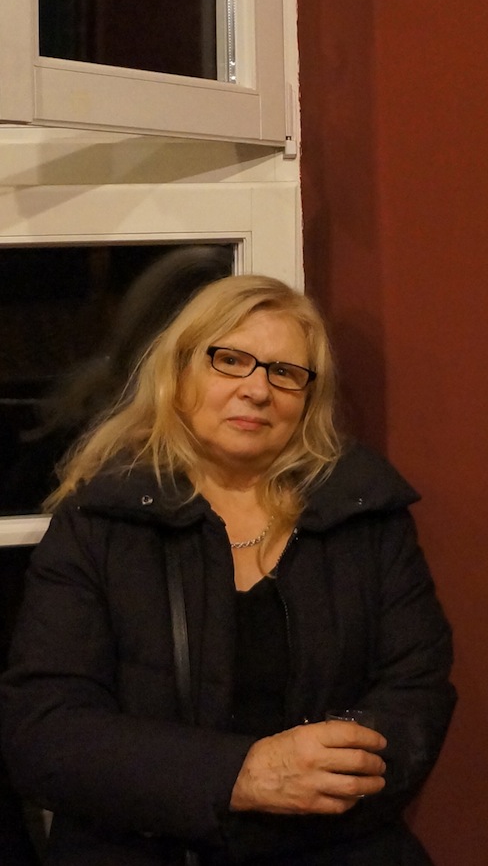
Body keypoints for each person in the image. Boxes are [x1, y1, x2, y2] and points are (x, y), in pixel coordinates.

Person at [1, 275, 455, 865]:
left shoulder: (365, 514)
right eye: (231, 361)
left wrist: (327, 773)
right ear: (180, 373)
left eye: (284, 372)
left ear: (309, 398)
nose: (257, 390)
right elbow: (45, 729)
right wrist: (241, 775)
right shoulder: (101, 520)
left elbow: (417, 692)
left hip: (334, 844)